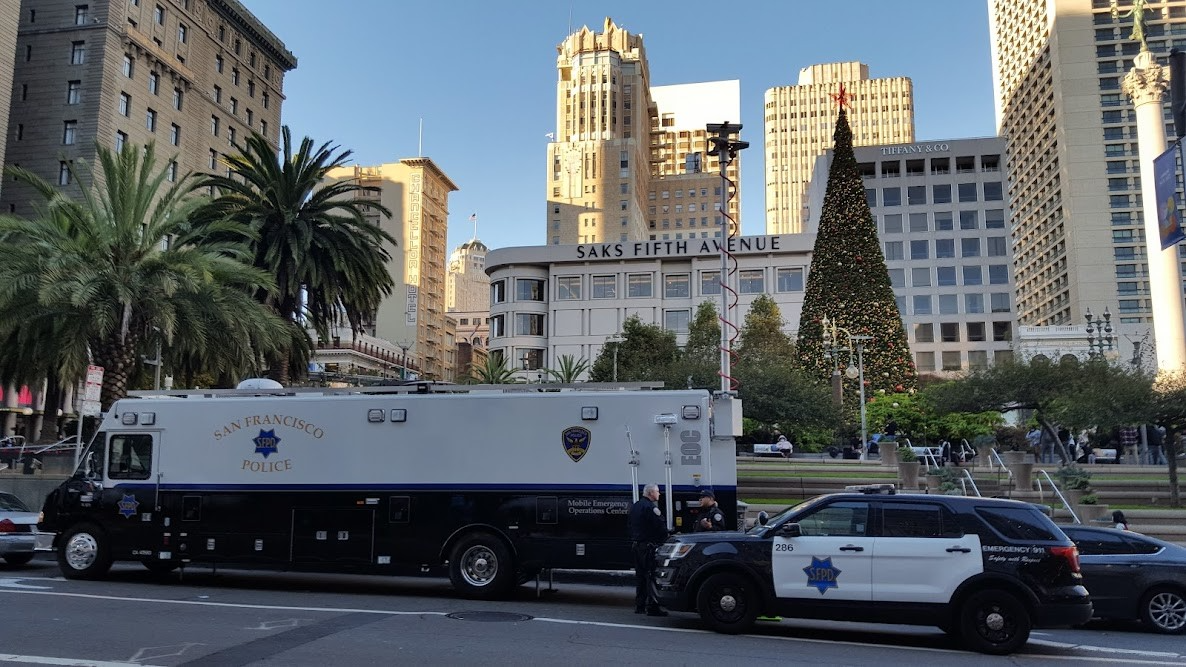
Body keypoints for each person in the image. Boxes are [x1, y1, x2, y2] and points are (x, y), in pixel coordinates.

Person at [627, 483, 668, 616]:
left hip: (636, 546)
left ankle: (639, 605)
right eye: (657, 491)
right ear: (651, 493)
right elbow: (660, 527)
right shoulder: (651, 508)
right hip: (648, 547)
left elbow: (630, 525)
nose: (659, 494)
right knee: (651, 577)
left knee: (640, 577)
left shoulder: (635, 506)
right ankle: (652, 607)